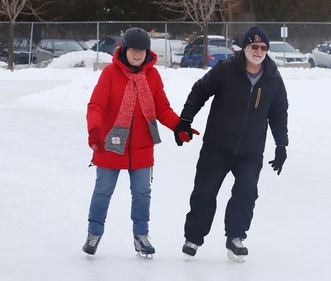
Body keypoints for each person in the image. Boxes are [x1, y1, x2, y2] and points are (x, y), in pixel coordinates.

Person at [173, 27, 289, 262]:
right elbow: (200, 91)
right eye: (254, 46)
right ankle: (193, 238)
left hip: (251, 150)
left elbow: (279, 113)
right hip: (217, 146)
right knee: (205, 192)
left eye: (263, 48)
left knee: (246, 193)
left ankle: (236, 238)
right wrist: (185, 120)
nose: (258, 51)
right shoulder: (226, 70)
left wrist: (281, 145)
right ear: (245, 47)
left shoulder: (273, 79)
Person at [83, 27, 198, 257]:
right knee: (103, 191)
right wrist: (95, 130)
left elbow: (161, 108)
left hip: (142, 145)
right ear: (124, 50)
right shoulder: (109, 74)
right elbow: (96, 106)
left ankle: (141, 236)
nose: (138, 54)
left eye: (143, 50)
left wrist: (178, 126)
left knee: (143, 192)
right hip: (110, 143)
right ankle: (94, 234)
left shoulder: (152, 76)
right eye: (134, 49)